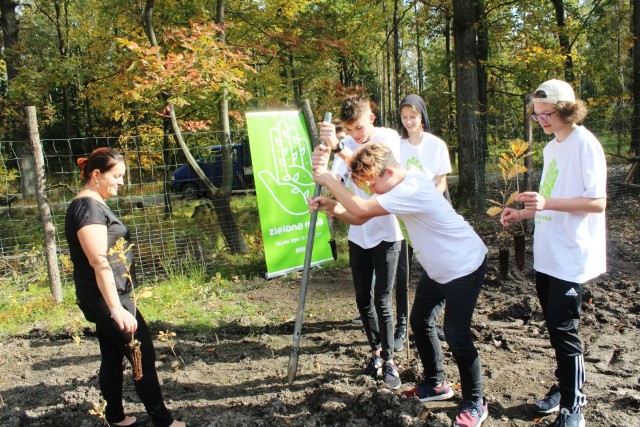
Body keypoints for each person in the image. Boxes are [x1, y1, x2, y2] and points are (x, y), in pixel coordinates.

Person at [309, 142, 489, 427]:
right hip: (438, 268)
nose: (372, 190)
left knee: (456, 334)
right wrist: (332, 206)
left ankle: (475, 401)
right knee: (420, 322)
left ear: (389, 171)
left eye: (372, 183)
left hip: (464, 265)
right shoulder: (399, 184)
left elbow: (362, 209)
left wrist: (329, 180)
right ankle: (436, 383)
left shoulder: (411, 189)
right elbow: (359, 216)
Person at [501, 79, 606, 427]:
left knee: (565, 328)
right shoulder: (551, 148)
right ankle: (564, 389)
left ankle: (574, 406)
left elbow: (597, 202)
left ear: (567, 110)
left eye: (547, 114)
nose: (541, 120)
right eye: (536, 114)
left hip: (571, 253)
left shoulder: (584, 144)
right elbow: (548, 198)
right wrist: (524, 212)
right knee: (553, 326)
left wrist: (547, 202)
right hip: (547, 251)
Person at [65, 148, 187, 427]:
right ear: (96, 175)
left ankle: (116, 418)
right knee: (141, 353)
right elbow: (99, 262)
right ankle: (163, 421)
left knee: (111, 355)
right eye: (116, 176)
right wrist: (116, 309)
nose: (121, 182)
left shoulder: (92, 204)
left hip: (104, 296)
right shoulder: (87, 208)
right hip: (107, 297)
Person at [318, 95, 404, 389]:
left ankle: (391, 359)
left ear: (371, 118)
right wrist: (325, 199)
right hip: (358, 235)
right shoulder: (346, 145)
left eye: (359, 126)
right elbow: (339, 183)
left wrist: (340, 147)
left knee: (382, 299)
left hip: (386, 233)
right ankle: (377, 352)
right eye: (350, 129)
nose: (356, 134)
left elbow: (367, 167)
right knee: (362, 298)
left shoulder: (387, 138)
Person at [395, 94, 453, 348]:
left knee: (437, 268)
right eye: (404, 117)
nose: (409, 122)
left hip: (431, 213)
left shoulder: (436, 145)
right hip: (403, 215)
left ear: (422, 117)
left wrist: (426, 203)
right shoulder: (396, 146)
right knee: (401, 270)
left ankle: (433, 320)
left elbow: (441, 181)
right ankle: (400, 325)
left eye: (413, 117)